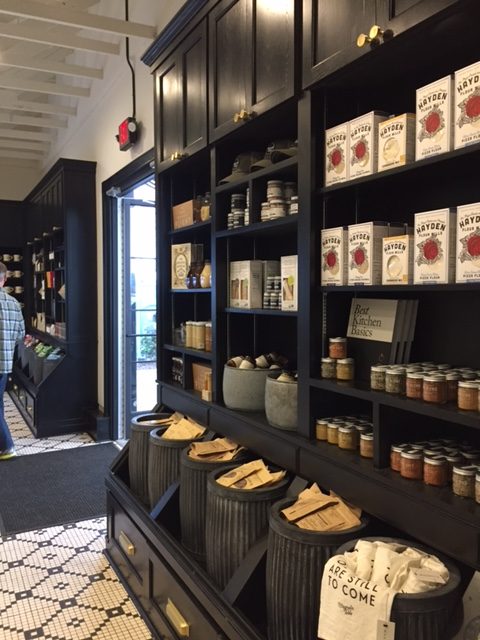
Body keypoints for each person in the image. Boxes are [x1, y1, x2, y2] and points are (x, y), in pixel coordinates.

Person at [0, 261, 25, 460]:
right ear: (5, 279)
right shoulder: (14, 303)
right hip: (4, 363)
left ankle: (7, 446)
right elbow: (20, 336)